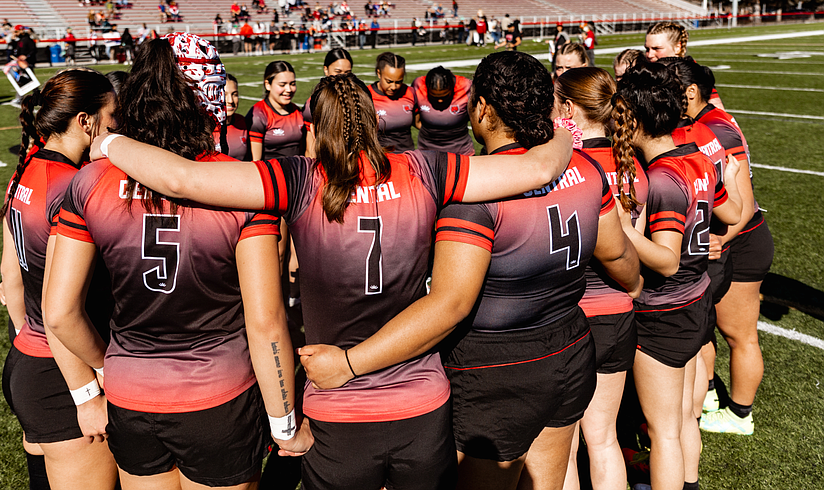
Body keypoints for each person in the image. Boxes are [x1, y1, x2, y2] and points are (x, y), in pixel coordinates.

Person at [84, 70, 575, 490]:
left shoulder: (297, 179)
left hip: (335, 405)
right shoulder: (424, 168)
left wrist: (108, 141)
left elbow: (181, 180)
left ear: (313, 130)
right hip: (422, 400)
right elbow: (536, 169)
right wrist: (561, 130)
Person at [294, 52, 638, 490]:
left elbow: (451, 303)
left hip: (497, 363)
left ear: (482, 110)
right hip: (569, 344)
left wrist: (349, 363)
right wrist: (640, 284)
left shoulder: (474, 196)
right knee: (548, 477)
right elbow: (620, 258)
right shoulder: (584, 167)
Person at [45, 34, 312, 490]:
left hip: (131, 395)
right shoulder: (239, 186)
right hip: (219, 395)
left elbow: (59, 312)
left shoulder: (89, 181)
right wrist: (285, 422)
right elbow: (265, 322)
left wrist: (110, 368)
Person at [611, 60, 742, 490]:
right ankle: (689, 483)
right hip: (698, 297)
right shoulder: (695, 156)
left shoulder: (663, 178)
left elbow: (666, 259)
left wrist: (622, 229)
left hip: (666, 309)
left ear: (635, 120)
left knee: (663, 429)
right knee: (686, 416)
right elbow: (730, 211)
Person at [0, 68, 118, 490]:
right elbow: (59, 312)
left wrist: (24, 340)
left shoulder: (26, 171)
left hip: (25, 360)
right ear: (86, 121)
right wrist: (95, 382)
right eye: (112, 115)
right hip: (64, 373)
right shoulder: (73, 185)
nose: (116, 125)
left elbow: (9, 277)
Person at [667, 59, 773, 436]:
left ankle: (740, 414)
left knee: (739, 334)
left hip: (740, 241)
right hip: (722, 238)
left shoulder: (713, 128)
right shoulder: (706, 120)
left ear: (690, 92)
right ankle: (708, 393)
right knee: (705, 329)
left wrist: (722, 238)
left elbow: (742, 202)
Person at [554, 67, 649, 490]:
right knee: (605, 438)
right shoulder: (632, 166)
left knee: (566, 447)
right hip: (617, 313)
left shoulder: (565, 169)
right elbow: (635, 249)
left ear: (569, 108)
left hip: (571, 318)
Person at [645, 21, 725, 110]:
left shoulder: (695, 74)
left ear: (677, 47)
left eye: (657, 49)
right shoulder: (648, 72)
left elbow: (719, 113)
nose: (649, 55)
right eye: (647, 49)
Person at [247, 61, 305, 160]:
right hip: (271, 173)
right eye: (282, 85)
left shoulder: (297, 111)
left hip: (297, 172)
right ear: (268, 85)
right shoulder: (258, 114)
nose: (289, 89)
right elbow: (255, 161)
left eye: (292, 84)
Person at [412, 66, 473, 155]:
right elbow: (411, 111)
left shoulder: (466, 86)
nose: (440, 101)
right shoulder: (418, 85)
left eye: (445, 96)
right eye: (434, 97)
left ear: (452, 87)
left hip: (461, 152)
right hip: (427, 153)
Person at [301, 48, 353, 151]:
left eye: (347, 73)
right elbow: (311, 148)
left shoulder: (356, 97)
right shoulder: (314, 102)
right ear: (326, 69)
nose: (342, 77)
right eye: (337, 71)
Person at [369, 52, 415, 152]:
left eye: (398, 82)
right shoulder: (367, 96)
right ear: (378, 73)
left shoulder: (410, 93)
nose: (394, 87)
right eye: (389, 81)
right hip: (380, 159)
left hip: (407, 159)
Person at [214, 73, 250, 161]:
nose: (230, 100)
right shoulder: (203, 128)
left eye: (234, 94)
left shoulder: (243, 122)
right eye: (224, 94)